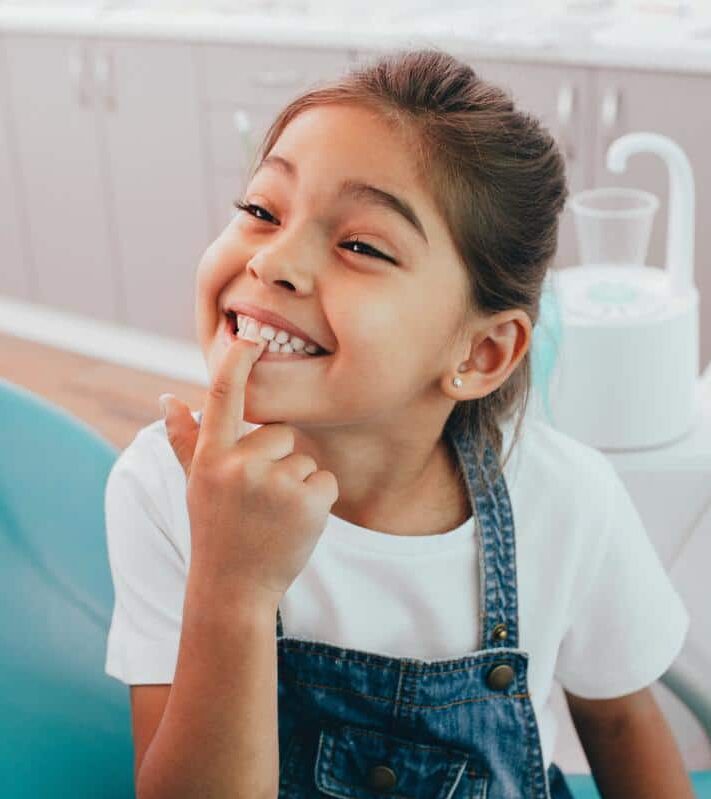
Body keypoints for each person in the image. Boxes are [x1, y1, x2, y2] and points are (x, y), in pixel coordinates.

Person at [104, 48, 693, 798]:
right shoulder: (163, 485)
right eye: (261, 210)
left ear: (480, 352)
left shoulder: (569, 499)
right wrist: (232, 586)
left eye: (360, 245)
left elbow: (618, 721)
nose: (274, 260)